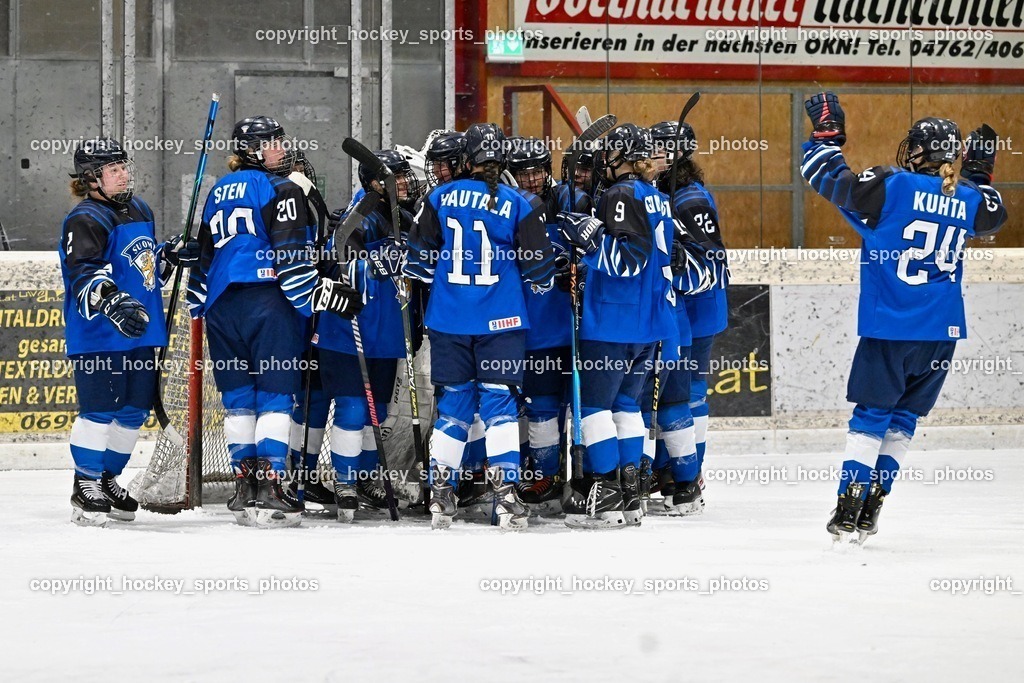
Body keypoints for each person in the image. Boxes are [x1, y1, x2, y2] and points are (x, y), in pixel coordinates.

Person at [801, 92, 1007, 542]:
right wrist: (979, 173)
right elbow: (994, 212)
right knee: (904, 421)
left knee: (870, 416)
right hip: (942, 333)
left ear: (918, 151)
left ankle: (847, 507)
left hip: (891, 328)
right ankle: (873, 507)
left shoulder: (893, 185)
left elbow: (827, 178)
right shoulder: (970, 199)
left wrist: (826, 134)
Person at [186, 116, 362, 528]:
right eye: (273, 143)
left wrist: (198, 305)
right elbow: (292, 264)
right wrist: (328, 295)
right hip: (269, 302)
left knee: (239, 401)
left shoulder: (216, 192)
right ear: (252, 150)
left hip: (221, 310)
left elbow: (203, 261)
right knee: (276, 396)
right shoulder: (281, 189)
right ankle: (272, 487)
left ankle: (245, 489)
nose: (281, 149)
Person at [406, 122, 556, 530]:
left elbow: (416, 264)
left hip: (449, 321)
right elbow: (541, 272)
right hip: (501, 322)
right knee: (499, 406)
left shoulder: (438, 197)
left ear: (465, 161)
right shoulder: (521, 203)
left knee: (454, 406)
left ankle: (440, 498)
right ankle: (506, 498)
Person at [556, 123, 677, 529]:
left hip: (613, 321)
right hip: (649, 325)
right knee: (626, 406)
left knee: (593, 408)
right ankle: (629, 496)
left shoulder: (619, 194)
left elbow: (628, 261)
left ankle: (604, 492)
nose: (601, 162)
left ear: (623, 159)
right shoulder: (657, 198)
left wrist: (590, 242)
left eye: (608, 155)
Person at [59, 137, 185, 525]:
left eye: (123, 166)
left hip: (141, 330)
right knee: (100, 409)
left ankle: (108, 478)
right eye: (112, 169)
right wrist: (111, 300)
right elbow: (83, 274)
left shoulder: (139, 208)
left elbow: (146, 271)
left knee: (133, 411)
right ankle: (86, 483)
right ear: (90, 179)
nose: (123, 174)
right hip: (100, 333)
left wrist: (169, 257)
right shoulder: (86, 217)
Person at [315, 149, 420, 522]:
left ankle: (362, 478)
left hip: (386, 331)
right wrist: (375, 259)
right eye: (398, 177)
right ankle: (344, 481)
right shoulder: (357, 213)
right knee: (354, 408)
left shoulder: (401, 217)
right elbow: (342, 260)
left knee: (381, 415)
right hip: (347, 330)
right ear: (377, 182)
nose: (406, 183)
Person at [645, 120, 727, 515]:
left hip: (696, 311)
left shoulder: (689, 198)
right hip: (678, 312)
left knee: (687, 393)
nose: (652, 157)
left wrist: (678, 263)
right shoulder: (662, 192)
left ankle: (688, 477)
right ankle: (669, 471)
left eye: (659, 151)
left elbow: (715, 264)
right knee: (672, 394)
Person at [285, 151, 336, 510]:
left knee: (313, 394)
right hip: (280, 316)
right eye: (292, 169)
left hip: (310, 316)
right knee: (276, 398)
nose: (300, 175)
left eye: (301, 168)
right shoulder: (271, 203)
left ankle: (304, 473)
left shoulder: (314, 209)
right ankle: (275, 475)